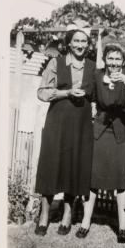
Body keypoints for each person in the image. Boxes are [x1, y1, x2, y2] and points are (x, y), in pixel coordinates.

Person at [76, 40, 125, 243]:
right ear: (105, 60)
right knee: (92, 179)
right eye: (111, 58)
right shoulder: (97, 75)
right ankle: (85, 223)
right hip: (99, 132)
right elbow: (88, 93)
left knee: (120, 181)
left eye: (118, 58)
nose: (114, 62)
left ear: (123, 60)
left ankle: (122, 227)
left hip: (121, 133)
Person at [34, 29, 95, 236]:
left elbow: (99, 96)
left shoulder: (93, 67)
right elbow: (42, 92)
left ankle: (68, 215)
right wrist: (66, 92)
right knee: (50, 166)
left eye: (84, 42)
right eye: (76, 41)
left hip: (81, 125)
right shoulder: (56, 63)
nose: (80, 45)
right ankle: (44, 215)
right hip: (57, 122)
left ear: (88, 45)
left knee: (74, 167)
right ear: (69, 44)